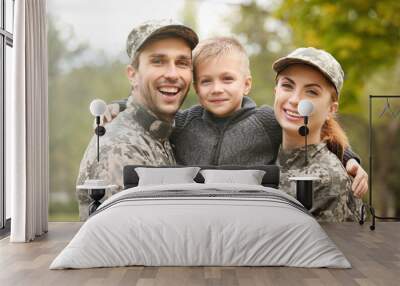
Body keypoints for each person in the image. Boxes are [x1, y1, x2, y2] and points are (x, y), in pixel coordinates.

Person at [104, 37, 368, 199]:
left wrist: (350, 159)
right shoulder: (184, 123)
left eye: (227, 79)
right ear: (197, 88)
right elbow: (151, 112)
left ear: (246, 84)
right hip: (194, 218)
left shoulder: (267, 121)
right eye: (206, 81)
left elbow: (317, 131)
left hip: (248, 216)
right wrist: (120, 106)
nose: (217, 89)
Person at [76, 19, 199, 221]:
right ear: (132, 75)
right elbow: (121, 242)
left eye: (182, 63)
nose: (172, 74)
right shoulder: (119, 147)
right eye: (158, 61)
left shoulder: (161, 132)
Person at [273, 47, 362, 222]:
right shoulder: (261, 145)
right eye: (287, 85)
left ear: (331, 109)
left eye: (312, 91)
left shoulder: (327, 180)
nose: (295, 100)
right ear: (275, 91)